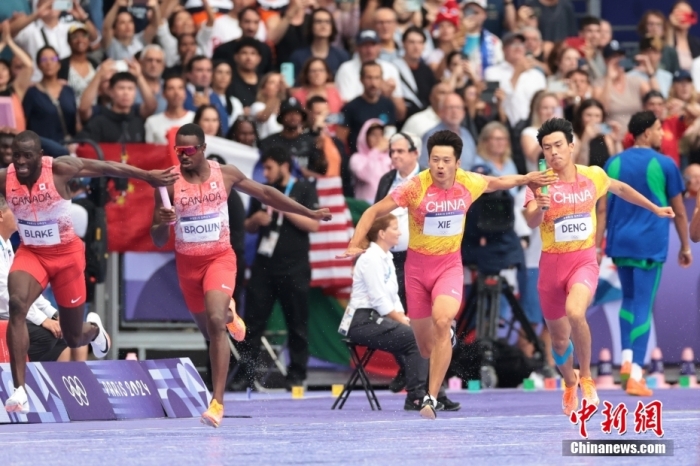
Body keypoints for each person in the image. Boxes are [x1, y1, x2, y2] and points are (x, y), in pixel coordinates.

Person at [339, 130, 556, 419]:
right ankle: (446, 340)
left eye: (446, 160)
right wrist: (356, 242)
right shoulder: (414, 187)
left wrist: (528, 178)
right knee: (424, 346)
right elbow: (372, 212)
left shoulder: (468, 181)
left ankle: (430, 397)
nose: (440, 166)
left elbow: (499, 182)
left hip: (449, 268)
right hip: (417, 272)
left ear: (457, 162)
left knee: (442, 321)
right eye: (435, 160)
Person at [151, 124, 330, 427]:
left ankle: (217, 403)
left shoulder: (226, 174)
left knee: (215, 322)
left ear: (203, 148)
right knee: (210, 332)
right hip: (188, 267)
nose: (183, 155)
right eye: (178, 150)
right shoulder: (168, 184)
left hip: (219, 259)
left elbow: (266, 193)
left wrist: (308, 212)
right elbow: (157, 239)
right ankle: (230, 314)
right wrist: (161, 222)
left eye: (189, 150)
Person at [3, 130, 178, 414]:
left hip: (66, 256)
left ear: (40, 156)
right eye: (16, 156)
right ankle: (20, 390)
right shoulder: (6, 178)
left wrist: (148, 176)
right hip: (32, 252)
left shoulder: (60, 169)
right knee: (17, 304)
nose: (20, 162)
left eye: (27, 156)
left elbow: (107, 166)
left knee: (73, 337)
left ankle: (95, 331)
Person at [523, 118, 674, 416]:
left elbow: (622, 189)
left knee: (576, 312)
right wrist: (539, 205)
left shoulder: (593, 175)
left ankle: (587, 378)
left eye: (558, 145)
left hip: (582, 262)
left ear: (571, 146)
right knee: (559, 340)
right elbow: (530, 220)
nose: (553, 152)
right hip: (551, 267)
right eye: (547, 148)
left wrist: (655, 208)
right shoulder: (539, 182)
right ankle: (570, 382)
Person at [596, 111, 690, 397]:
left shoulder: (613, 162)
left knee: (628, 300)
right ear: (646, 132)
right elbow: (680, 211)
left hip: (619, 243)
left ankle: (626, 359)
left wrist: (597, 246)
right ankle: (636, 373)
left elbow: (602, 209)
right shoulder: (665, 163)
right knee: (643, 306)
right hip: (649, 243)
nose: (662, 134)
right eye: (659, 129)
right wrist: (685, 246)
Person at [238, 145, 324, 392]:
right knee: (252, 323)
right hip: (263, 267)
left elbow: (314, 225)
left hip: (295, 267)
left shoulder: (304, 188)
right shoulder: (262, 190)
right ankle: (246, 375)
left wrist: (285, 208)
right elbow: (247, 225)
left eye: (269, 168)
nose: (265, 173)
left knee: (297, 324)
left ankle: (296, 375)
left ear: (284, 165)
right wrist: (255, 220)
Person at [344, 214, 432, 410]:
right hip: (361, 321)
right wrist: (402, 320)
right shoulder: (370, 258)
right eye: (395, 228)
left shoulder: (387, 257)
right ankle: (416, 396)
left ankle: (421, 387)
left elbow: (393, 297)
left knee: (424, 333)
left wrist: (404, 318)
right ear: (382, 234)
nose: (400, 232)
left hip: (378, 318)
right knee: (415, 339)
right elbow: (379, 299)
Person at [0, 195, 69, 362]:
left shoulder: (6, 244)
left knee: (64, 336)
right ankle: (16, 372)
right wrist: (42, 320)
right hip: (4, 313)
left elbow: (25, 290)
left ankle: (35, 375)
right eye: (15, 210)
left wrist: (53, 314)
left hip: (10, 312)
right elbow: (6, 293)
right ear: (0, 215)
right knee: (45, 337)